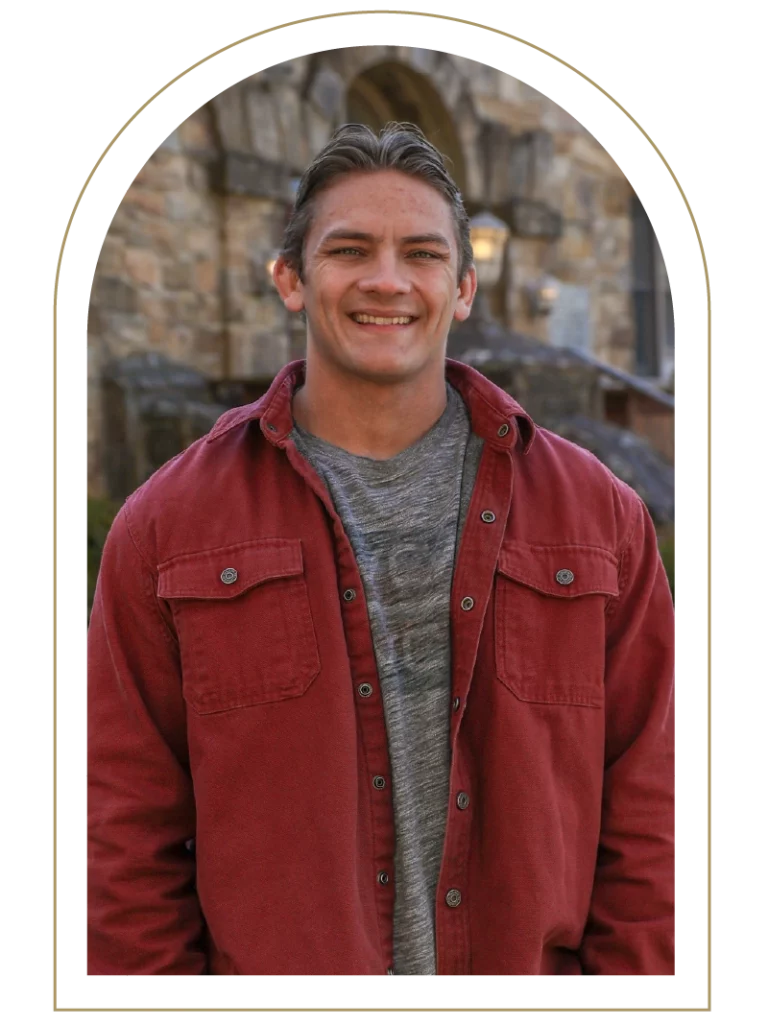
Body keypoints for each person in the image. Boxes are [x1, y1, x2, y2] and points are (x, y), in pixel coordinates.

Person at [85, 122, 677, 983]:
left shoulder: (601, 521)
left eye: (423, 253)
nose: (387, 280)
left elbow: (654, 821)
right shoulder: (166, 530)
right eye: (350, 248)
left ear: (464, 286)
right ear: (290, 278)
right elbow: (123, 840)